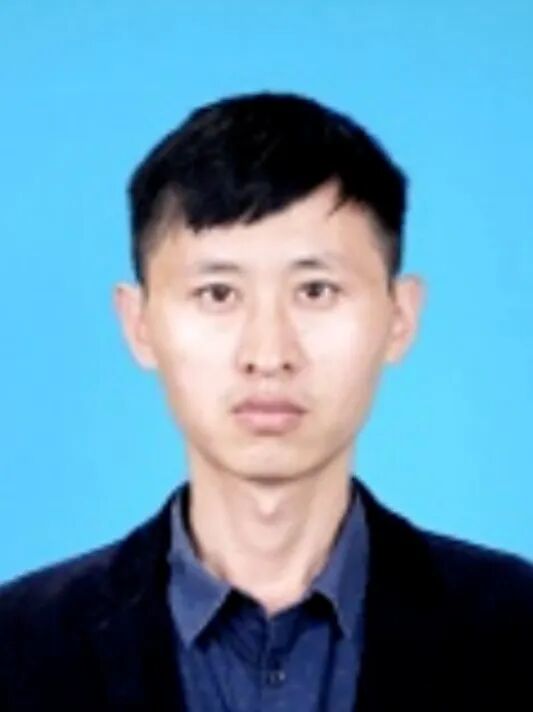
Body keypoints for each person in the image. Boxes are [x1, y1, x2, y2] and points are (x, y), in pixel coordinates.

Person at [0, 91, 532, 711]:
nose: (269, 353)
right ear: (138, 323)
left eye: (316, 290)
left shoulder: (515, 629)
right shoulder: (20, 646)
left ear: (400, 317)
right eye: (218, 294)